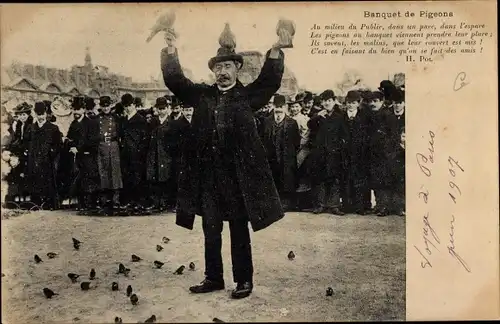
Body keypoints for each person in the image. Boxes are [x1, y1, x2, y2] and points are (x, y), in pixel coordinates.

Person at [161, 23, 286, 299]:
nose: (222, 72)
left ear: (237, 68)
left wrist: (276, 49)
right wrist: (171, 49)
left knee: (239, 230)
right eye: (218, 68)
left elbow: (270, 81)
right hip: (208, 178)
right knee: (211, 229)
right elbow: (176, 81)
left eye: (227, 66)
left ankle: (244, 281)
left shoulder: (248, 96)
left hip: (238, 177)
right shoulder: (202, 96)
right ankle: (213, 278)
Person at [308, 90, 345, 215]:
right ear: (322, 102)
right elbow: (310, 125)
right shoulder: (317, 115)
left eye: (329, 100)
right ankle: (320, 205)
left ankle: (334, 205)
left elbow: (344, 133)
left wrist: (339, 148)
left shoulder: (340, 114)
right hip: (320, 152)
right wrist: (318, 116)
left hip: (334, 152)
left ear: (334, 101)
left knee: (334, 178)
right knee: (320, 178)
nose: (327, 103)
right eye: (325, 101)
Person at [261, 94, 300, 211]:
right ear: (273, 106)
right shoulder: (266, 121)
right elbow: (262, 138)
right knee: (272, 179)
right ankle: (273, 203)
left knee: (286, 179)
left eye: (281, 106)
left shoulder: (292, 123)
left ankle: (286, 203)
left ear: (285, 107)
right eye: (276, 106)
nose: (278, 109)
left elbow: (296, 142)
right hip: (270, 156)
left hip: (286, 157)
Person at [26, 102, 62, 209]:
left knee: (47, 181)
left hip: (47, 160)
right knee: (34, 180)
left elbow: (58, 144)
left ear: (46, 113)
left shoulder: (53, 128)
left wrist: (51, 153)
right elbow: (26, 142)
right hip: (33, 159)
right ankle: (35, 203)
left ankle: (48, 203)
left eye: (42, 114)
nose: (40, 117)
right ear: (35, 114)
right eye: (38, 114)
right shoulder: (31, 128)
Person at [340, 90, 371, 215]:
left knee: (360, 179)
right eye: (348, 103)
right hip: (345, 153)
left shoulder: (364, 117)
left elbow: (367, 135)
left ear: (358, 103)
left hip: (360, 153)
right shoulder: (341, 117)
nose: (350, 105)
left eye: (353, 103)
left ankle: (360, 206)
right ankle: (347, 205)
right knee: (346, 179)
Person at [120, 93, 149, 213]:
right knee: (128, 177)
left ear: (134, 105)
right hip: (126, 153)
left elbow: (145, 138)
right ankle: (130, 201)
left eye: (129, 105)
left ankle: (139, 202)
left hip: (137, 155)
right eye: (125, 106)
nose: (127, 108)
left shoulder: (140, 120)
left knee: (138, 178)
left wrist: (139, 151)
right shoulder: (124, 120)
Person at [146, 97, 176, 212]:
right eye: (160, 109)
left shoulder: (171, 122)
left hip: (166, 154)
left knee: (165, 178)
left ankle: (164, 202)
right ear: (156, 109)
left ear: (168, 108)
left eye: (164, 108)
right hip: (153, 154)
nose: (162, 111)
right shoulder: (152, 121)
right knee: (154, 178)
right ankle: (155, 202)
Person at [96, 95, 123, 212]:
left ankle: (116, 200)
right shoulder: (97, 119)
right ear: (100, 106)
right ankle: (104, 200)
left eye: (107, 106)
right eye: (103, 106)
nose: (106, 108)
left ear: (111, 106)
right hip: (101, 146)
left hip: (113, 146)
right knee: (103, 172)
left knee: (115, 172)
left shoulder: (116, 118)